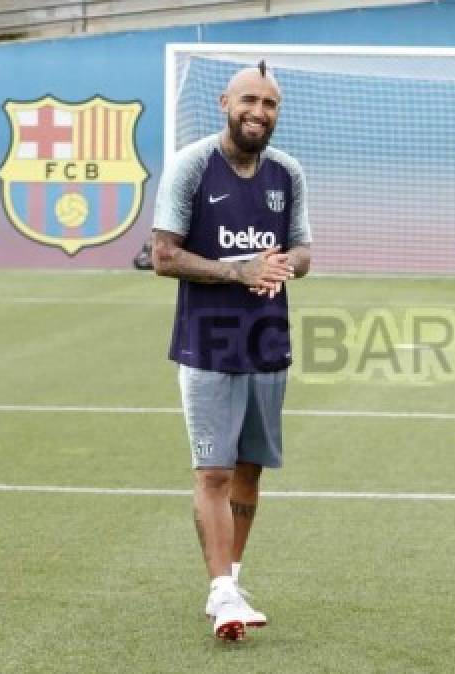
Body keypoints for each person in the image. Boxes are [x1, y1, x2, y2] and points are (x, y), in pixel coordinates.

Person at [151, 60, 312, 642]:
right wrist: (238, 271)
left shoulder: (287, 173)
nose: (258, 113)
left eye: (269, 105)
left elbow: (303, 251)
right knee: (214, 470)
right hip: (207, 343)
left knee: (249, 469)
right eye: (249, 100)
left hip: (268, 340)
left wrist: (280, 267)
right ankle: (221, 592)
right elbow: (163, 256)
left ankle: (233, 579)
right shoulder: (193, 166)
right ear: (225, 102)